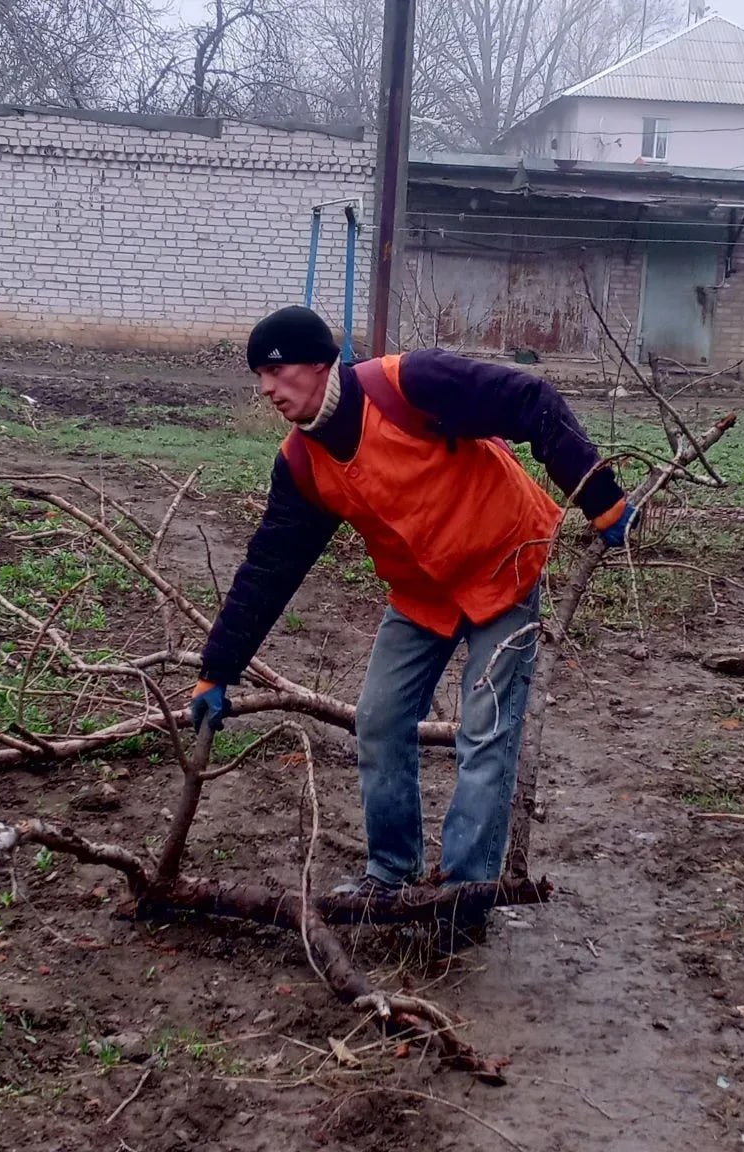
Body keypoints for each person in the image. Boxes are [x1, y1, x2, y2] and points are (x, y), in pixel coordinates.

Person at [191, 306, 635, 899]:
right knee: (378, 721)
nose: (267, 388)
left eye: (277, 371)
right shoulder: (302, 465)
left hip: (505, 562)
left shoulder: (410, 385)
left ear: (322, 363)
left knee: (486, 730)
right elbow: (270, 568)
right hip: (424, 594)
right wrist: (217, 668)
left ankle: (464, 893)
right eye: (259, 376)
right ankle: (390, 872)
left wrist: (600, 495)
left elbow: (531, 399)